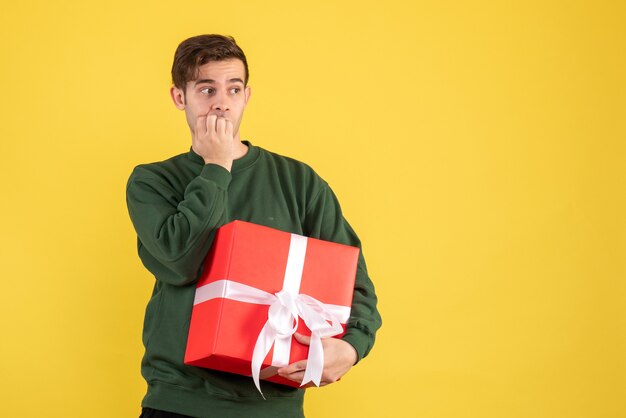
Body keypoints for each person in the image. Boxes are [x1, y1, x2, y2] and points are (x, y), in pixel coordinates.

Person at [126, 34, 382, 418]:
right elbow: (179, 262)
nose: (221, 102)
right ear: (180, 97)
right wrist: (216, 167)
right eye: (206, 88)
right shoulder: (153, 181)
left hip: (274, 401)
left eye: (234, 88)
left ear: (246, 96)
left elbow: (353, 280)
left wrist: (352, 346)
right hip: (179, 401)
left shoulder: (299, 181)